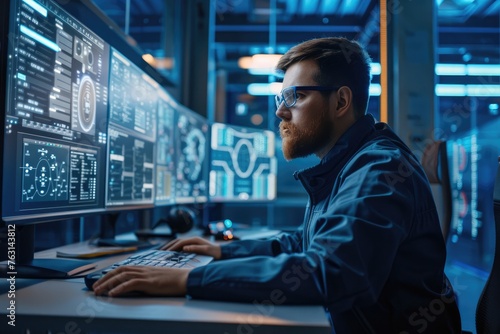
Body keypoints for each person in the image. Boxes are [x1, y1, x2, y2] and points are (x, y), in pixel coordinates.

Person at [93, 37, 463, 333]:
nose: (280, 111)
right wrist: (222, 252)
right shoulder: (348, 165)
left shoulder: (379, 169)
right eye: (280, 98)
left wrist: (189, 279)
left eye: (295, 97)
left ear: (342, 101)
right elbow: (305, 243)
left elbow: (332, 272)